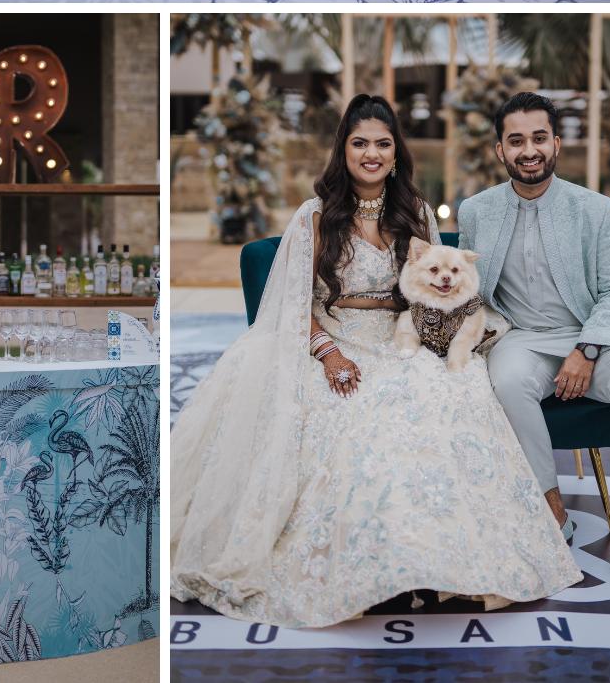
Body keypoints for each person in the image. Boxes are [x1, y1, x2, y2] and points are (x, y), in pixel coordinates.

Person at [171, 94, 581, 628]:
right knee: (356, 416)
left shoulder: (413, 210)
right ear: (343, 150)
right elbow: (294, 308)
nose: (371, 154)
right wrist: (328, 353)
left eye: (382, 144)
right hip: (333, 341)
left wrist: (443, 338)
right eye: (360, 143)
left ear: (396, 152)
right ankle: (376, 568)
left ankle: (443, 565)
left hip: (403, 338)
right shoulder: (316, 216)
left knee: (455, 395)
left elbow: (441, 290)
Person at [458, 92, 610, 599]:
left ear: (556, 143)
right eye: (516, 141)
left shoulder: (595, 209)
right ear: (500, 150)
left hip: (588, 333)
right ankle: (553, 517)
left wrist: (588, 349)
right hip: (520, 339)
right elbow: (471, 291)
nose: (528, 150)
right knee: (505, 381)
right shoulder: (477, 211)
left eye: (538, 138)